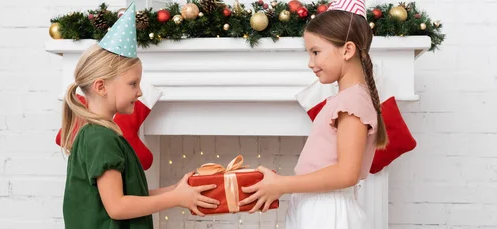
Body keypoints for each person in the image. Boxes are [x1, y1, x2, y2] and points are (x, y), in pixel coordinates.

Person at [59, 3, 219, 229]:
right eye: (133, 83)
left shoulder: (99, 134)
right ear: (101, 87)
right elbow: (118, 207)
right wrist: (176, 199)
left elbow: (129, 195)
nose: (140, 91)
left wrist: (176, 190)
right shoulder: (101, 139)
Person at [236, 0, 388, 228]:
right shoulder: (345, 99)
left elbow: (347, 174)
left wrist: (283, 185)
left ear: (347, 50)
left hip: (327, 211)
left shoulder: (352, 102)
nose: (311, 63)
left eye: (316, 52)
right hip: (316, 206)